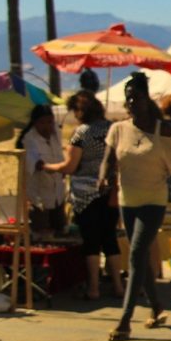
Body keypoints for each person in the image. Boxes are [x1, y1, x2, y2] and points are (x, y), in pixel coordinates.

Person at [100, 73, 171, 341]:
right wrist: (103, 177)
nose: (131, 102)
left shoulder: (162, 131)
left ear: (145, 98)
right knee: (139, 258)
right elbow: (108, 160)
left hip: (153, 199)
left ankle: (126, 319)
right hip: (128, 201)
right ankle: (156, 306)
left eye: (136, 97)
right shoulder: (118, 129)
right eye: (128, 98)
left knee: (137, 251)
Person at [43, 91, 122, 299]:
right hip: (111, 191)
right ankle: (118, 285)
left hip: (86, 195)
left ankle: (94, 288)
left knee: (91, 242)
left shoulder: (81, 133)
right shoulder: (113, 129)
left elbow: (70, 166)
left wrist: (48, 167)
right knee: (110, 239)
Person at [18, 104, 66, 236]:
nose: (47, 126)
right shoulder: (29, 139)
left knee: (59, 230)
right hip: (39, 197)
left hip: (58, 194)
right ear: (35, 123)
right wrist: (54, 167)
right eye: (42, 122)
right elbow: (35, 163)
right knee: (42, 234)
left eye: (50, 122)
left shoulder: (56, 134)